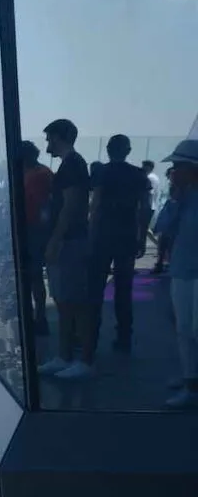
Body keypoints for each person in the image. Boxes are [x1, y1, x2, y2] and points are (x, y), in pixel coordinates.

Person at [37, 119, 95, 379]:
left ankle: (84, 360)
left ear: (60, 138)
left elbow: (71, 206)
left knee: (76, 301)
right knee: (63, 301)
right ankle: (65, 356)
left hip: (70, 242)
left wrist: (55, 240)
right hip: (67, 240)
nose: (47, 143)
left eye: (50, 138)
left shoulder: (73, 165)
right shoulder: (70, 165)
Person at [86, 134, 150, 354]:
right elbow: (145, 208)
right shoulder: (138, 174)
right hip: (127, 236)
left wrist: (91, 234)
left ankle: (91, 339)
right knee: (124, 290)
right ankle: (124, 338)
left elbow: (95, 205)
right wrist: (141, 237)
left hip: (103, 236)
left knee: (95, 289)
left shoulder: (101, 172)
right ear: (128, 151)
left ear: (108, 150)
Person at [159, 140, 198, 408]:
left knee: (194, 329)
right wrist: (174, 200)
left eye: (177, 166)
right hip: (183, 269)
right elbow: (162, 226)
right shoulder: (180, 197)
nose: (173, 171)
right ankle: (190, 380)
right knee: (184, 328)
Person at [21, 141, 54, 335]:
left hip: (35, 232)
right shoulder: (41, 172)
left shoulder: (37, 176)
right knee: (35, 278)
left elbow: (43, 206)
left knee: (35, 277)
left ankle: (40, 319)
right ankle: (39, 317)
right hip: (36, 231)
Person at [142, 160, 161, 236]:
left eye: (144, 166)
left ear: (148, 167)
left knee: (142, 230)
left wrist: (145, 207)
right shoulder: (155, 177)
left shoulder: (149, 177)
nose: (142, 168)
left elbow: (150, 193)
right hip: (151, 206)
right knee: (144, 230)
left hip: (147, 206)